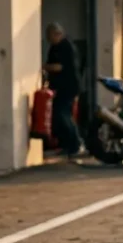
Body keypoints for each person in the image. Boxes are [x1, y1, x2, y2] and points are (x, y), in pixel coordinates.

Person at [44, 23, 81, 158]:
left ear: (57, 34)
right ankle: (65, 144)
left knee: (63, 114)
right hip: (59, 87)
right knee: (59, 115)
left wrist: (44, 67)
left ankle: (74, 144)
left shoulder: (66, 47)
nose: (48, 39)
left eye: (49, 36)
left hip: (68, 86)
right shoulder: (55, 47)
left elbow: (60, 66)